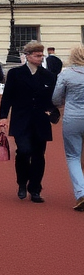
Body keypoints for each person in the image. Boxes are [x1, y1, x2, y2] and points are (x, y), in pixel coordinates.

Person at [0, 40, 58, 203]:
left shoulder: (48, 76)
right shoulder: (15, 74)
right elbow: (7, 96)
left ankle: (35, 188)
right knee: (23, 151)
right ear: (28, 56)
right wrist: (3, 116)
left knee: (39, 155)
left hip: (40, 120)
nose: (40, 58)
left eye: (41, 55)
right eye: (37, 55)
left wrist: (53, 111)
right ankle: (22, 183)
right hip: (21, 119)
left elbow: (53, 99)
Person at [52, 44, 84, 211]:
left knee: (73, 156)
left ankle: (81, 192)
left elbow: (56, 98)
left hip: (73, 117)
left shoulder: (66, 74)